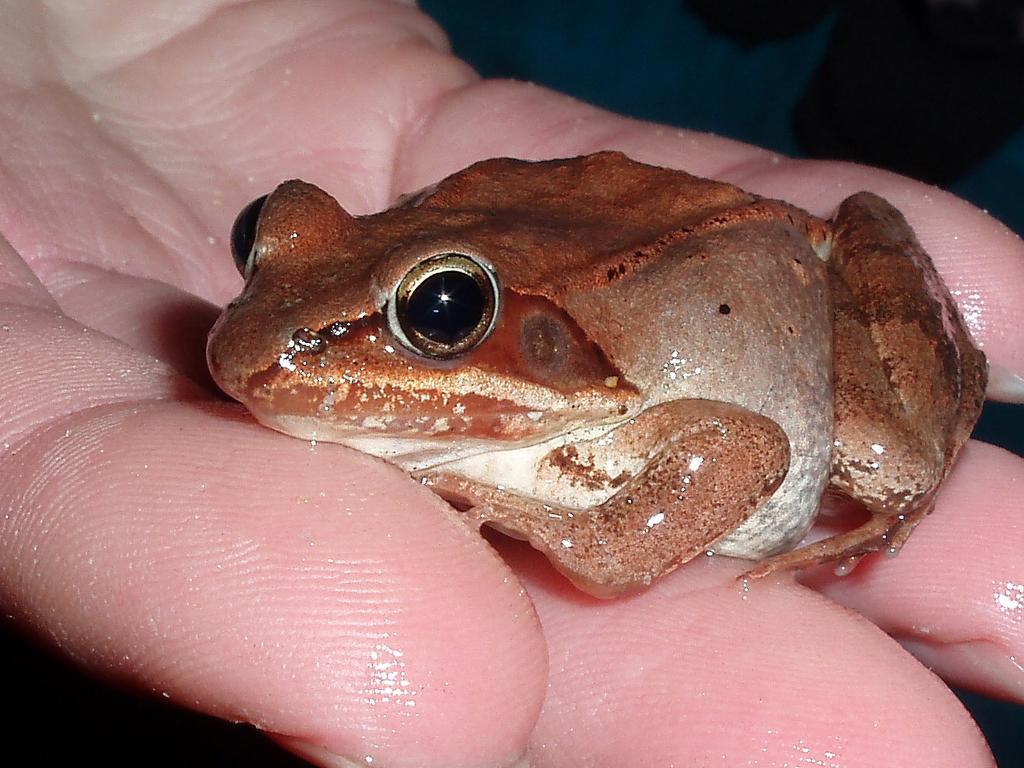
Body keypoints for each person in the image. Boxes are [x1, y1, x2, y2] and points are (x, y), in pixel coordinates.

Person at [1, 2, 1022, 766]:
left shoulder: (600, 416)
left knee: (883, 462)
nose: (263, 344)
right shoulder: (302, 329)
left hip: (767, 284)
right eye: (264, 250)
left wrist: (602, 544)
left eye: (438, 316)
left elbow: (744, 447)